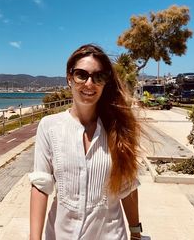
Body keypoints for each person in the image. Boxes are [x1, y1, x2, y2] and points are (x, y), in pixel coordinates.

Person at [29, 44, 143, 240]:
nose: (89, 83)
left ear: (105, 82)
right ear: (69, 77)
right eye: (82, 75)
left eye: (98, 76)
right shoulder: (49, 126)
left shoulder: (119, 127)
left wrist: (136, 232)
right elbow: (41, 185)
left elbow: (127, 186)